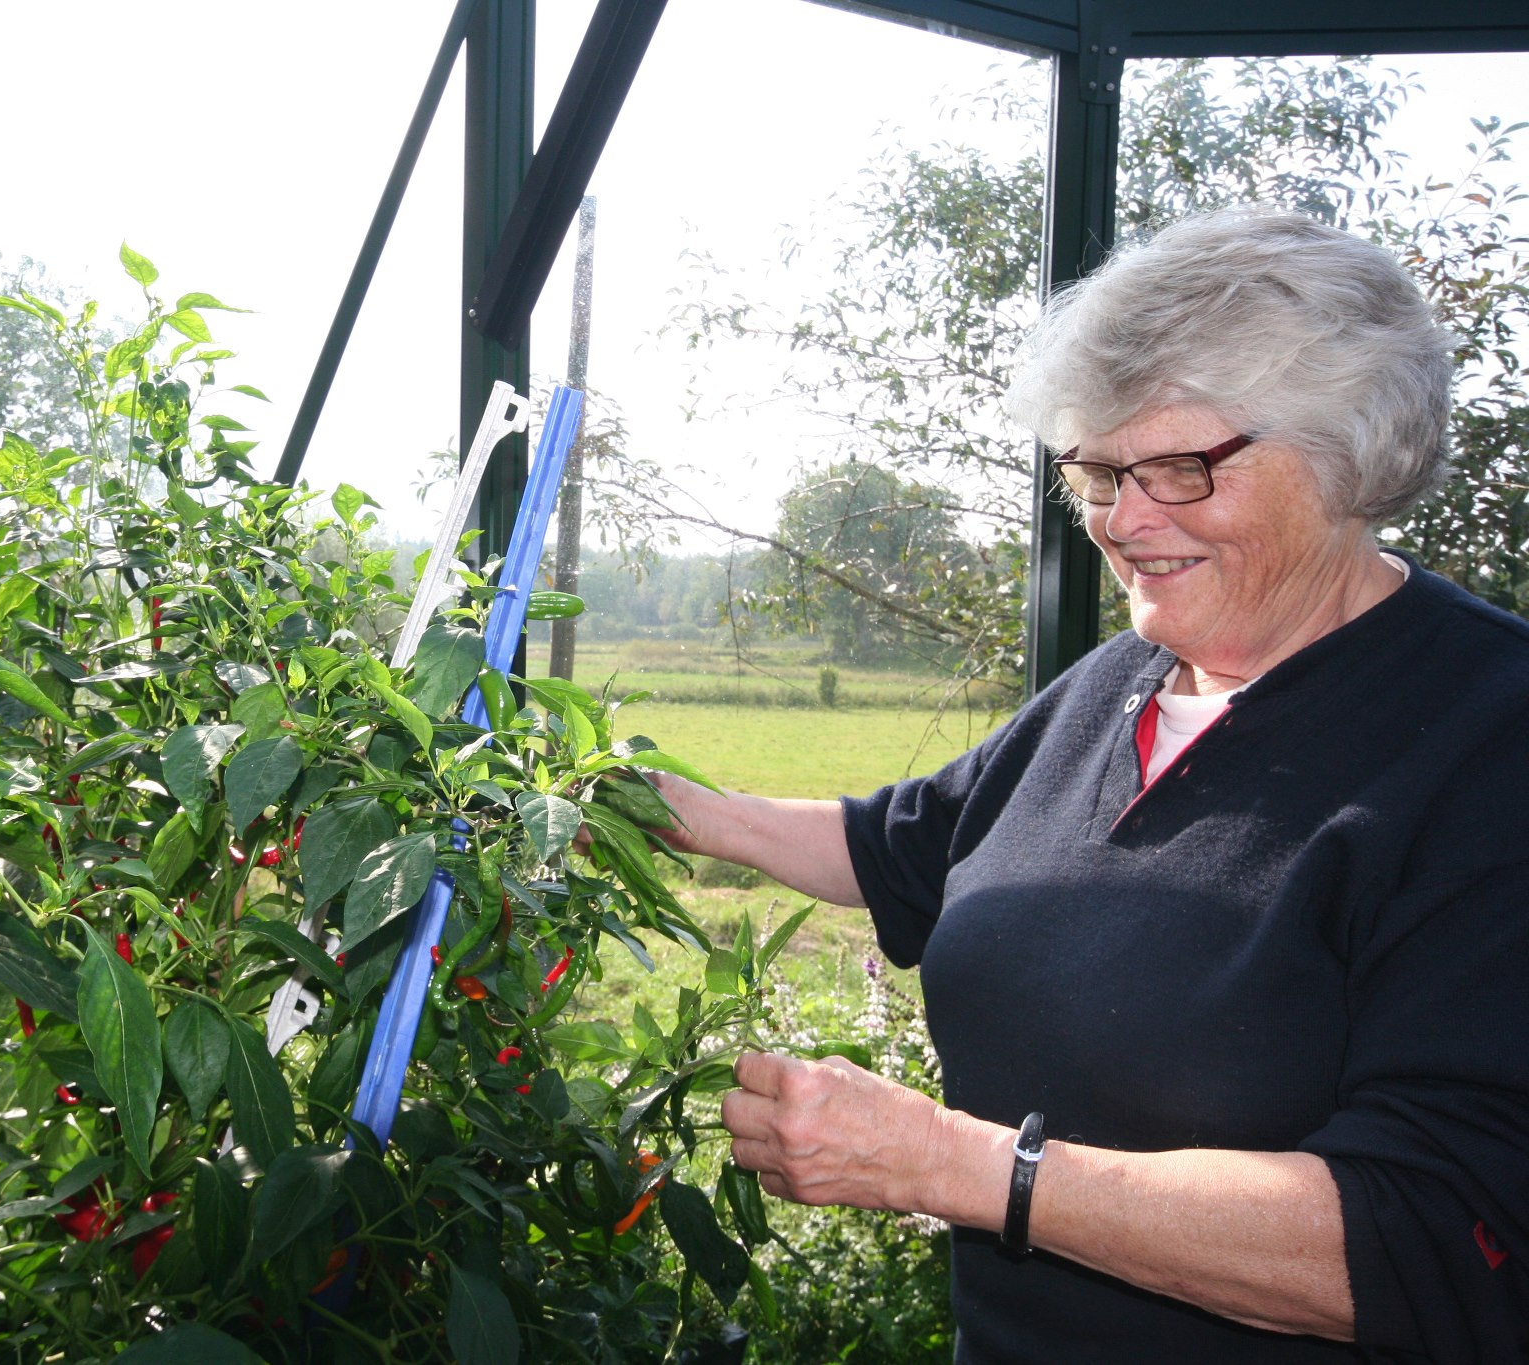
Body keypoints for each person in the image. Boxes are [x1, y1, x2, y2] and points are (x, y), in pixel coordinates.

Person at [652, 208, 1529, 1361]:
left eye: (1179, 467)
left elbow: (1430, 1239)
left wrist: (952, 1166)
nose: (1123, 520)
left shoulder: (1487, 739)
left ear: (1348, 454)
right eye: (1099, 471)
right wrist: (633, 806)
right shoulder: (1122, 679)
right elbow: (910, 848)